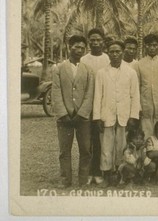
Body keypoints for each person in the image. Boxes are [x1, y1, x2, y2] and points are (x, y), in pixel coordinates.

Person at [93, 41, 141, 187]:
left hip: (124, 115)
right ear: (108, 52)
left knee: (122, 146)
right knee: (106, 147)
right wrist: (97, 117)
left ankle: (122, 176)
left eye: (118, 51)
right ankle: (107, 175)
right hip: (106, 114)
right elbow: (97, 96)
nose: (115, 54)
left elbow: (135, 95)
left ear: (122, 52)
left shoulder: (131, 72)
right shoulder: (101, 73)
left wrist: (133, 116)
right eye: (112, 51)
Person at [52, 35, 94, 188]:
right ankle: (65, 180)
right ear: (69, 47)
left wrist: (82, 113)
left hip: (82, 118)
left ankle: (83, 180)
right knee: (64, 151)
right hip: (65, 118)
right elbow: (56, 92)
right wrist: (63, 113)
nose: (79, 50)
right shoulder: (58, 69)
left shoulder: (88, 70)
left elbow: (90, 94)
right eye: (76, 47)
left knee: (85, 150)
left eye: (82, 48)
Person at [81, 28, 110, 185]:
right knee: (87, 141)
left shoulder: (108, 58)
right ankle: (88, 172)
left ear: (103, 41)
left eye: (99, 40)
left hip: (104, 105)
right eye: (92, 40)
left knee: (100, 140)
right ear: (88, 42)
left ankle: (98, 170)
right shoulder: (84, 60)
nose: (96, 43)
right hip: (87, 105)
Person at [136, 33, 158, 139]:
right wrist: (138, 106)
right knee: (146, 131)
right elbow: (137, 86)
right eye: (149, 45)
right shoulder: (139, 64)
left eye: (154, 45)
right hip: (145, 104)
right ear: (145, 46)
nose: (152, 48)